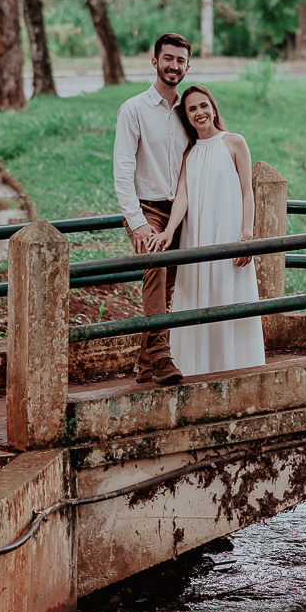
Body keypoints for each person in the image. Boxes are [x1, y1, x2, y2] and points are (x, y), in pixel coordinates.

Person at [148, 85, 266, 378]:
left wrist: (247, 237)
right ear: (187, 118)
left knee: (228, 295)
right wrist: (169, 231)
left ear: (213, 108)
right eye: (192, 109)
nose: (199, 112)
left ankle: (236, 367)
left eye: (203, 106)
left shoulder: (234, 142)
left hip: (229, 234)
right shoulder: (190, 154)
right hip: (197, 236)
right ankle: (198, 368)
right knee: (200, 295)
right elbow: (183, 198)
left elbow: (247, 193)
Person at [113, 32, 191, 385]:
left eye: (180, 60)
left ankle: (145, 363)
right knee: (155, 273)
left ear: (187, 65)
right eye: (168, 58)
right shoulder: (134, 109)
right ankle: (161, 358)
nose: (173, 66)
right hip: (147, 210)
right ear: (155, 61)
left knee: (168, 285)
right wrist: (137, 222)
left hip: (180, 212)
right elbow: (123, 168)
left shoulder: (189, 110)